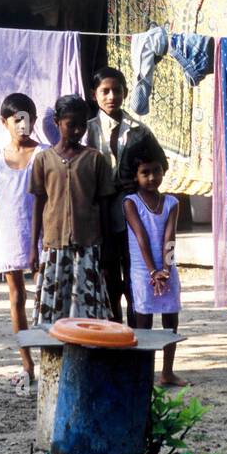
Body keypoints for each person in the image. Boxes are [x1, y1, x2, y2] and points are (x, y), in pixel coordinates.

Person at [85, 66, 163, 323]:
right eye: (105, 91)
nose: (111, 97)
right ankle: (114, 331)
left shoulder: (139, 131)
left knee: (134, 274)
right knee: (107, 275)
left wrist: (137, 184)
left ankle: (137, 331)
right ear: (94, 94)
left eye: (116, 91)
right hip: (99, 216)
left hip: (133, 215)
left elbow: (160, 165)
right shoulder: (87, 132)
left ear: (125, 93)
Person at [29, 95, 113, 324]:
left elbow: (104, 205)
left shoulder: (95, 159)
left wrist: (105, 249)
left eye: (82, 125)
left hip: (87, 244)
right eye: (71, 124)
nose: (77, 130)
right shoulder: (43, 160)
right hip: (54, 244)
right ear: (57, 122)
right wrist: (33, 248)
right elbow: (38, 203)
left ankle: (86, 357)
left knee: (86, 311)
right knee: (55, 311)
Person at [122, 138, 187, 387]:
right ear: (136, 175)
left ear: (164, 170)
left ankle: (167, 372)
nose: (151, 177)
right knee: (144, 322)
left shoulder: (172, 203)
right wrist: (153, 271)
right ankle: (144, 373)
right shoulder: (131, 203)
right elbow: (141, 237)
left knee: (171, 318)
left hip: (167, 270)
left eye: (156, 171)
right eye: (145, 173)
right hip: (143, 271)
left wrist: (166, 269)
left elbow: (170, 237)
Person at [0, 93, 43, 386]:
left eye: (27, 118)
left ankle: (50, 359)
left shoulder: (43, 154)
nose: (23, 124)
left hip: (40, 234)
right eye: (16, 119)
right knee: (17, 298)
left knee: (45, 297)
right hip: (9, 231)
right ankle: (26, 363)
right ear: (4, 122)